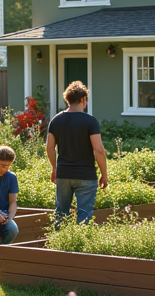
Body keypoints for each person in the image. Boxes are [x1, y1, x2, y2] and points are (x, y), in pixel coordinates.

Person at [46, 81, 109, 224]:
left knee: (61, 213)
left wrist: (54, 169)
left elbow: (50, 147)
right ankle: (79, 245)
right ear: (83, 99)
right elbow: (98, 150)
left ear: (67, 100)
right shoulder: (90, 121)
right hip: (85, 174)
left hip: (63, 173)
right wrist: (104, 174)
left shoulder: (56, 120)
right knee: (84, 215)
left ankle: (59, 242)